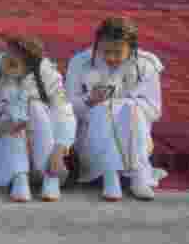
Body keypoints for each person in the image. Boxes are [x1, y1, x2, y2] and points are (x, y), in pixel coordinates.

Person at [64, 17, 166, 201]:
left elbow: (154, 110)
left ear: (131, 48)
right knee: (105, 108)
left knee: (128, 107)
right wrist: (89, 100)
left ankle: (138, 177)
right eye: (106, 51)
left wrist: (124, 104)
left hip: (135, 137)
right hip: (92, 139)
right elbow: (66, 110)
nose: (111, 57)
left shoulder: (146, 64)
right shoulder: (79, 63)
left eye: (118, 52)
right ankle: (111, 175)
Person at [0, 37, 75, 203]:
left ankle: (50, 177)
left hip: (43, 155)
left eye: (14, 63)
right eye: (6, 56)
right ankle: (20, 177)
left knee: (35, 107)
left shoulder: (48, 75)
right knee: (13, 115)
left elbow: (65, 114)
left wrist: (59, 150)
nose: (5, 64)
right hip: (6, 156)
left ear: (30, 67)